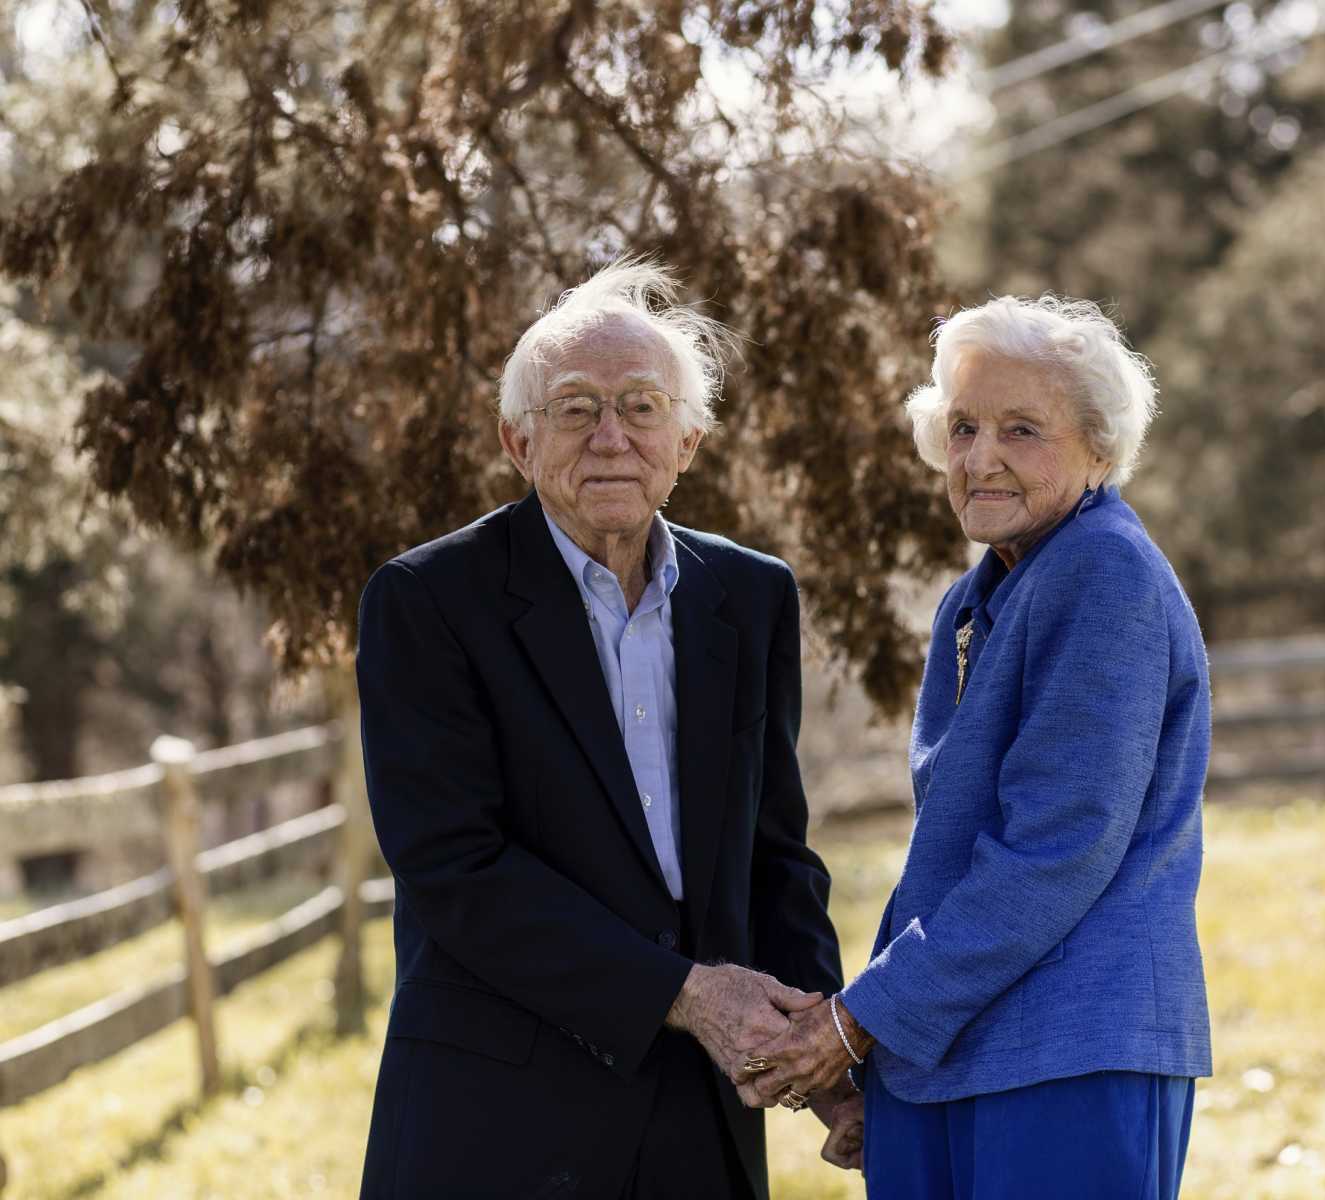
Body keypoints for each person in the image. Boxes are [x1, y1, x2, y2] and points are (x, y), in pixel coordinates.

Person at [355, 258, 844, 1200]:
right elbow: (454, 867)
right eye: (575, 408)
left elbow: (773, 851)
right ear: (518, 441)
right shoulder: (426, 601)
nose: (611, 437)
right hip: (496, 1123)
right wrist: (685, 995)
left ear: (688, 442)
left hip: (699, 1128)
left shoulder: (751, 597)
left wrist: (818, 1049)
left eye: (642, 407)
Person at [736, 294, 1212, 1198]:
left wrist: (859, 1020)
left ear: (1100, 448)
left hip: (1067, 1056)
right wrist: (878, 1044)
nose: (980, 458)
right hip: (944, 1054)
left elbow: (1057, 848)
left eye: (1022, 429)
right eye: (962, 428)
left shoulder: (1103, 571)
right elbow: (946, 852)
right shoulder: (979, 593)